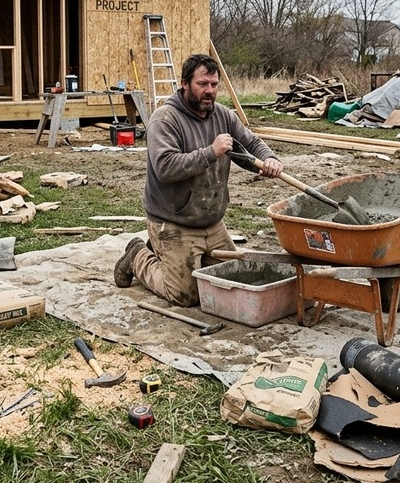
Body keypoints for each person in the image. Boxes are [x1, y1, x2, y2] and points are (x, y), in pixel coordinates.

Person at [113, 53, 283, 306]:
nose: (210, 91)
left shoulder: (223, 116)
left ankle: (185, 258)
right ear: (185, 84)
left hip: (211, 223)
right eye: (202, 84)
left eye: (214, 85)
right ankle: (138, 254)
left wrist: (269, 159)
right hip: (173, 222)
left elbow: (250, 143)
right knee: (185, 295)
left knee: (236, 280)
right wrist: (210, 152)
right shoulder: (165, 119)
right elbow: (165, 168)